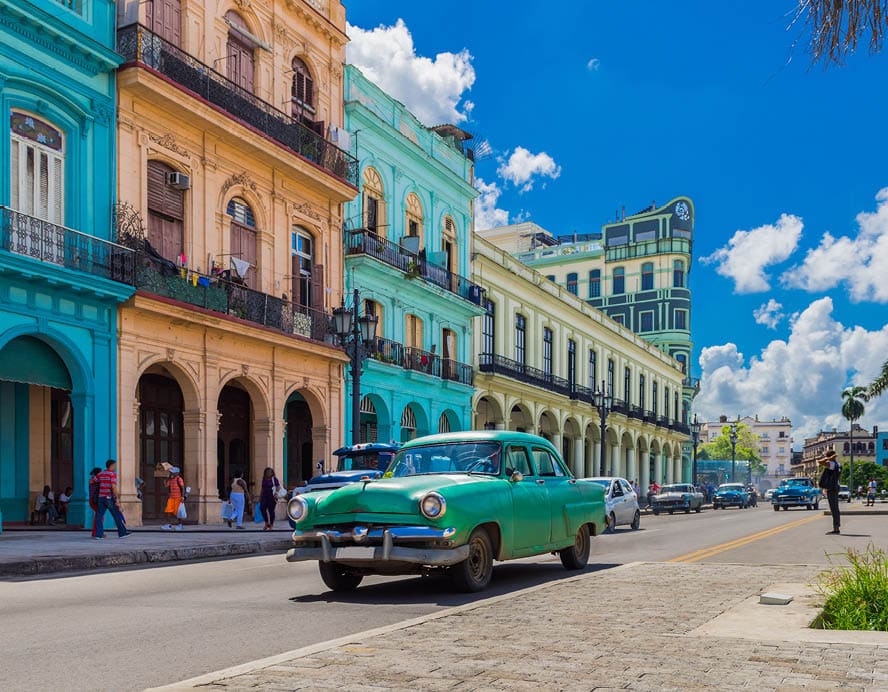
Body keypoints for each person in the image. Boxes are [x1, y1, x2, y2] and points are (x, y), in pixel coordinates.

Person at [94, 459, 131, 539]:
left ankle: (98, 534)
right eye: (115, 465)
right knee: (116, 514)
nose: (115, 467)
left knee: (99, 516)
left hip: (101, 497)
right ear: (111, 466)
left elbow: (92, 481)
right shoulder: (112, 474)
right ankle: (122, 533)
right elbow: (113, 487)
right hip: (109, 498)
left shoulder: (101, 474)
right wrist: (117, 498)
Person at [818, 450, 841, 535]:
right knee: (835, 508)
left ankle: (836, 529)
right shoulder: (838, 464)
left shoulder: (831, 464)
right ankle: (836, 527)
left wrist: (829, 458)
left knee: (834, 508)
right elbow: (839, 477)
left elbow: (820, 462)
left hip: (832, 487)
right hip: (836, 486)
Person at [162, 467, 186, 531]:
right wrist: (167, 479)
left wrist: (182, 497)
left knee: (178, 512)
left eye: (172, 472)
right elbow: (166, 485)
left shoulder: (179, 479)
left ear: (177, 473)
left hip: (178, 498)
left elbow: (183, 488)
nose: (171, 473)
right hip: (171, 498)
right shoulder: (170, 479)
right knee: (168, 511)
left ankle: (180, 525)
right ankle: (168, 524)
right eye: (171, 472)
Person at [88, 467, 101, 537]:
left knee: (98, 516)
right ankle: (97, 533)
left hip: (92, 500)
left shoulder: (92, 480)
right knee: (99, 517)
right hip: (95, 500)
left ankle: (95, 532)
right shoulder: (95, 480)